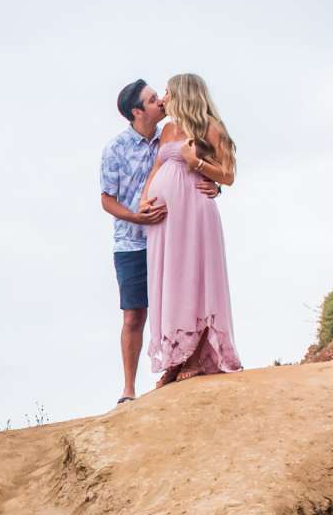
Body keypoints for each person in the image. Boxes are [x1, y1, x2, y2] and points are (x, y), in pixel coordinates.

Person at [99, 79, 218, 404]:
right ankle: (128, 389)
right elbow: (107, 200)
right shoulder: (116, 149)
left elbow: (204, 164)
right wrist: (138, 217)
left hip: (172, 234)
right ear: (137, 111)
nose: (161, 102)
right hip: (132, 241)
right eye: (153, 100)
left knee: (179, 297)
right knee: (134, 315)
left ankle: (181, 361)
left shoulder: (174, 130)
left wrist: (215, 186)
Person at [139, 73, 243, 384]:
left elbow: (228, 175)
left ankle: (196, 355)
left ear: (183, 94)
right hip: (164, 220)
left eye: (168, 92)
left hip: (195, 211)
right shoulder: (168, 129)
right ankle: (174, 357)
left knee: (194, 279)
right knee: (169, 281)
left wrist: (195, 163)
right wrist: (145, 200)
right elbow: (157, 168)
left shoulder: (210, 127)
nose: (163, 99)